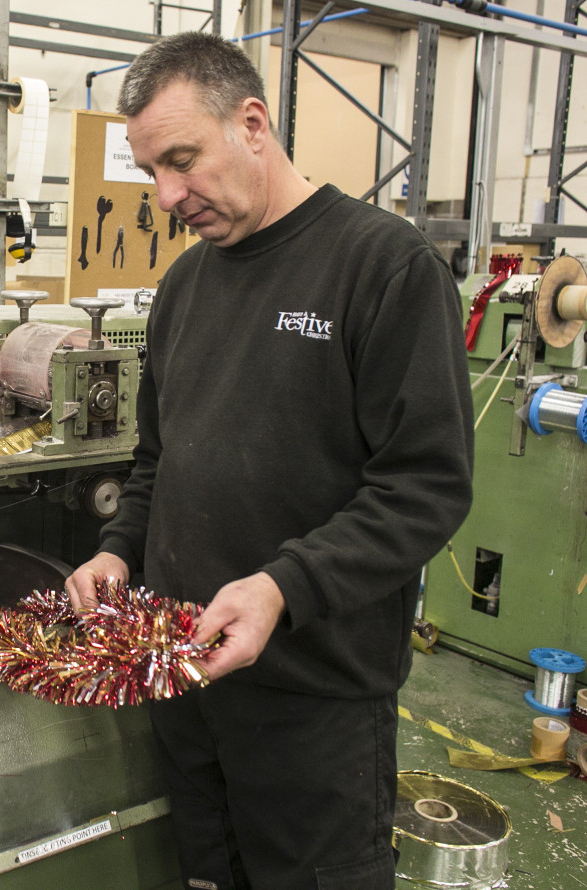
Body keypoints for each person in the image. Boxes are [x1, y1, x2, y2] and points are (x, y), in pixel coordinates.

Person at [64, 32, 474, 890]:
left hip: (312, 703)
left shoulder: (385, 268)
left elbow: (424, 488)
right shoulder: (184, 286)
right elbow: (158, 461)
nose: (169, 195)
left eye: (183, 160)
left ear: (252, 123)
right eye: (151, 174)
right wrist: (119, 550)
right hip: (185, 684)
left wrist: (284, 586)